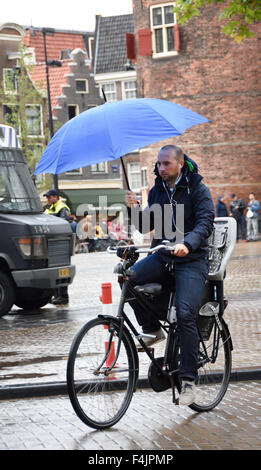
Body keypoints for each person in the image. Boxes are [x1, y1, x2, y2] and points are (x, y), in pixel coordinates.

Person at [125, 145, 214, 406]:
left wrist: (188, 242)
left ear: (180, 163)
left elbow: (205, 223)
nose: (161, 168)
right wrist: (133, 207)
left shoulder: (197, 189)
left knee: (186, 314)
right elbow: (146, 225)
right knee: (127, 278)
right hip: (164, 256)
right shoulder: (158, 190)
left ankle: (188, 380)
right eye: (159, 164)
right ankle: (153, 328)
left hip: (192, 260)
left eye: (166, 164)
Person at [44, 189, 71, 305]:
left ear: (55, 197)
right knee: (54, 270)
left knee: (62, 270)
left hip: (61, 243)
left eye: (49, 197)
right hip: (51, 242)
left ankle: (63, 296)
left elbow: (64, 223)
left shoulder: (62, 207)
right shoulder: (48, 208)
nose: (48, 199)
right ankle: (56, 295)